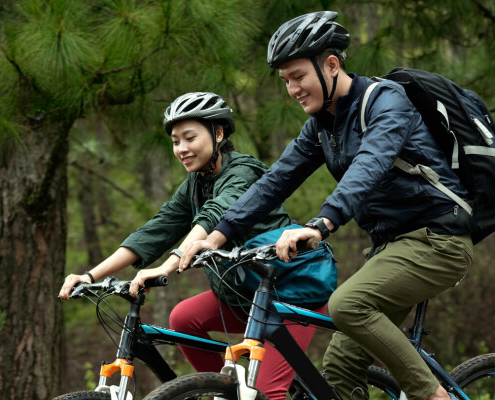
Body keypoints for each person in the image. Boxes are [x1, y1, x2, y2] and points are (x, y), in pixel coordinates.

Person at [180, 11, 473, 400]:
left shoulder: (385, 102)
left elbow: (369, 165)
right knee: (339, 366)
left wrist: (322, 223)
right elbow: (275, 181)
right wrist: (218, 236)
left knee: (348, 306)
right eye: (285, 81)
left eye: (298, 76)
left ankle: (436, 396)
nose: (292, 88)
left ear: (331, 64)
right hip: (390, 248)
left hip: (439, 238)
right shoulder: (322, 125)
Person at [58, 92, 329, 399]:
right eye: (176, 141)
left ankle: (249, 393)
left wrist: (168, 264)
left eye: (189, 137)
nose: (182, 149)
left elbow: (216, 216)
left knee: (267, 391)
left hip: (293, 292)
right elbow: (157, 229)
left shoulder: (243, 172)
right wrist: (90, 276)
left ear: (218, 133)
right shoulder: (196, 182)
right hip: (247, 296)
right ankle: (225, 391)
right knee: (184, 320)